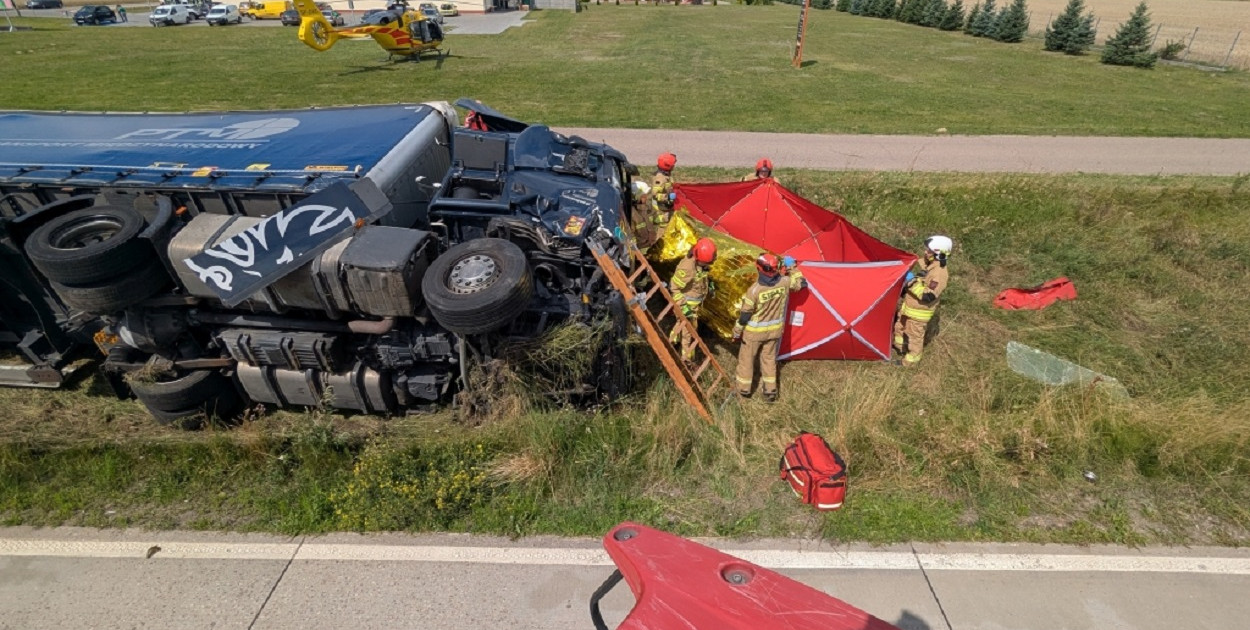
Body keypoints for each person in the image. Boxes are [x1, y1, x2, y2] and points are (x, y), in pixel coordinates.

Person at [733, 253, 806, 403]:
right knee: (769, 359)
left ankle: (743, 390)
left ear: (759, 269)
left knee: (747, 359)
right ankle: (770, 390)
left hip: (754, 334)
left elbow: (745, 316)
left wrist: (737, 331)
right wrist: (792, 267)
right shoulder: (785, 282)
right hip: (775, 331)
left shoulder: (754, 290)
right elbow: (801, 284)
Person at [893, 235, 952, 366]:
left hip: (919, 313)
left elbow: (928, 296)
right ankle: (900, 347)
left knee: (914, 336)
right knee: (900, 327)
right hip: (909, 308)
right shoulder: (929, 265)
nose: (926, 252)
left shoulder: (939, 273)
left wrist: (911, 281)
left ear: (939, 254)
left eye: (929, 251)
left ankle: (910, 361)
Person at [669, 238, 717, 366]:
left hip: (694, 305)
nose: (708, 265)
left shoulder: (700, 264)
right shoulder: (687, 268)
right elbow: (674, 288)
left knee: (679, 325)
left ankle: (671, 342)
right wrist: (685, 309)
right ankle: (687, 361)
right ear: (698, 258)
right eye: (706, 263)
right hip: (687, 306)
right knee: (689, 334)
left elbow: (701, 276)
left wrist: (710, 285)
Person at [650, 152, 677, 225]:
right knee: (663, 231)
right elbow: (654, 195)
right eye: (672, 165)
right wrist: (667, 197)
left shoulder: (666, 175)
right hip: (661, 210)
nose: (674, 166)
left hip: (667, 207)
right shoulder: (660, 178)